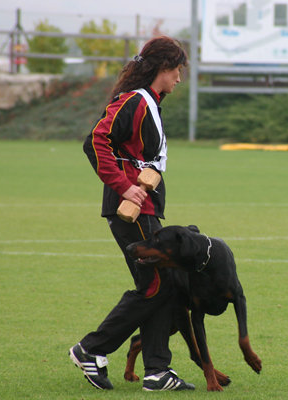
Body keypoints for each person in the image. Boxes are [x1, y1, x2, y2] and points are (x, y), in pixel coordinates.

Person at [69, 36, 194, 392]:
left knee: (161, 285)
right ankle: (90, 349)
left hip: (147, 209)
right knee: (156, 285)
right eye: (177, 71)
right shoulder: (135, 101)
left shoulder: (151, 103)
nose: (179, 79)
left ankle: (157, 371)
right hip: (131, 211)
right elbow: (94, 140)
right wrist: (124, 186)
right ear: (161, 69)